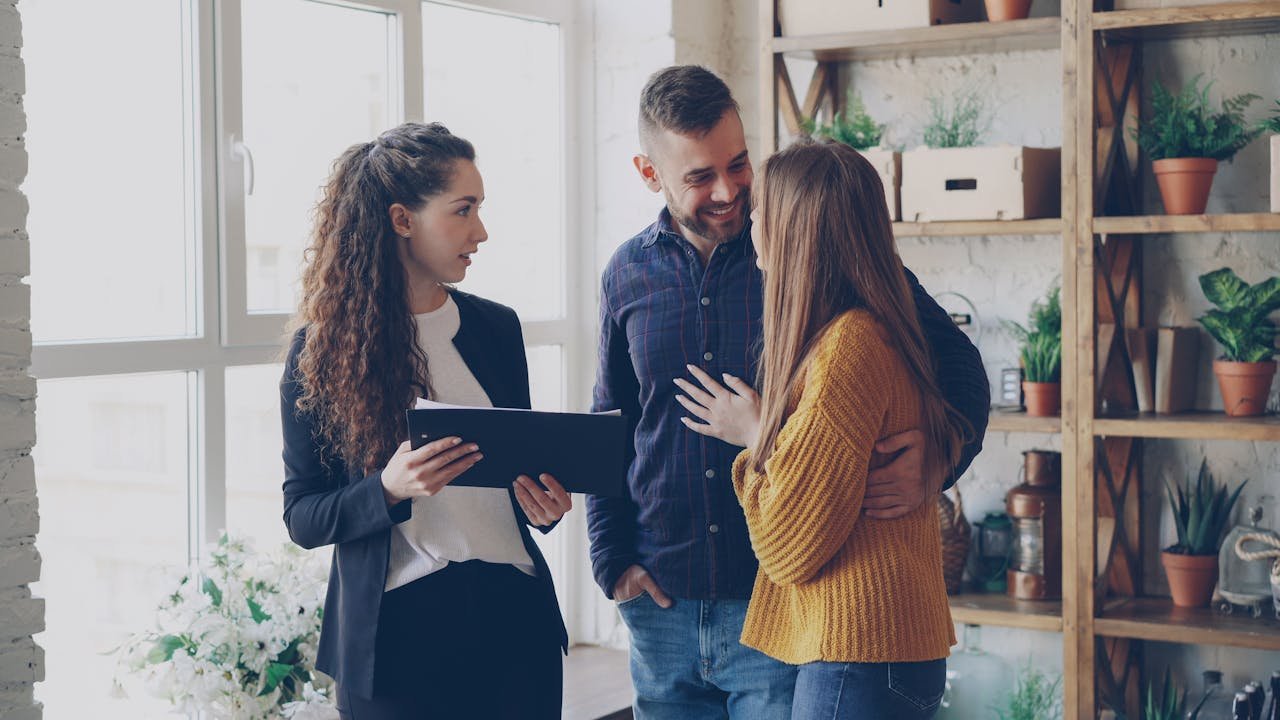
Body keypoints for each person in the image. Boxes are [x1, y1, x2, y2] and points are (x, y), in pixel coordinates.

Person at [587, 65, 989, 719]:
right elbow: (611, 422)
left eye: (738, 163)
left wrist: (940, 458)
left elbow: (958, 368)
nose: (729, 192)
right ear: (648, 172)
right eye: (699, 176)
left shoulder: (809, 245)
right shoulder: (626, 273)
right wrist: (612, 562)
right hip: (659, 602)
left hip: (785, 606)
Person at [280, 122, 571, 719]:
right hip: (398, 639)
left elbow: (508, 475)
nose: (481, 231)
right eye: (463, 210)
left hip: (514, 622)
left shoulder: (497, 328)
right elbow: (303, 515)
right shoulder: (322, 351)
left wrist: (541, 506)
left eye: (480, 209)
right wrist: (388, 488)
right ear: (402, 219)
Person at [681, 139, 968, 719]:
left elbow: (789, 545)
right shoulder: (872, 330)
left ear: (796, 230)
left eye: (762, 212)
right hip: (878, 653)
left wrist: (756, 434)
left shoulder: (848, 348)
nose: (750, 223)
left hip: (859, 651)